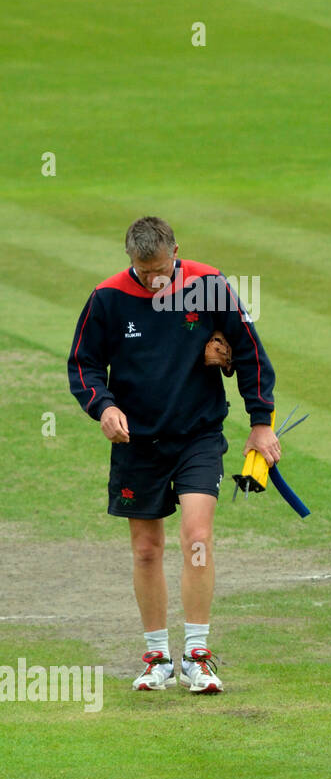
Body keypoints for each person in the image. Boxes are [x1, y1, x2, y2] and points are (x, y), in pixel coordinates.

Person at [67, 216, 278, 693]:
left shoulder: (208, 285)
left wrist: (260, 422)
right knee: (146, 550)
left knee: (196, 536)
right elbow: (83, 365)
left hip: (198, 435)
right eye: (145, 273)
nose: (155, 281)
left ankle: (197, 656)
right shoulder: (108, 298)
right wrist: (104, 407)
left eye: (162, 271)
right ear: (129, 261)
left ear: (176, 251)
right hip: (136, 443)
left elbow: (248, 352)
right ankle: (157, 658)